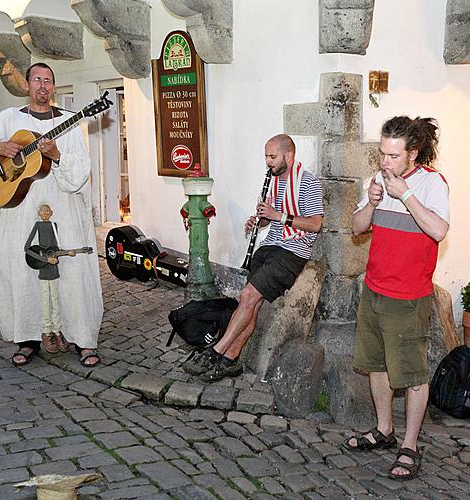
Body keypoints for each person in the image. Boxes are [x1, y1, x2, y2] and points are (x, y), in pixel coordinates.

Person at [0, 63, 103, 368]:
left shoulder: (69, 122)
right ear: (26, 85)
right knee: (22, 273)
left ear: (54, 87)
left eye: (48, 81)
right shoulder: (10, 119)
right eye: (37, 80)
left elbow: (80, 172)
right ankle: (28, 339)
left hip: (63, 211)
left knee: (72, 274)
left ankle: (81, 338)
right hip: (20, 212)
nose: (42, 85)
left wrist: (56, 156)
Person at [344, 116, 449, 481]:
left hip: (408, 297)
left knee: (413, 374)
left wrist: (404, 194)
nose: (384, 162)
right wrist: (372, 203)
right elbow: (357, 228)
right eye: (381, 154)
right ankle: (384, 430)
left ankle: (410, 446)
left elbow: (438, 229)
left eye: (392, 155)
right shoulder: (376, 181)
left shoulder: (433, 184)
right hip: (373, 289)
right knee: (377, 365)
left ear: (412, 154)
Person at [184, 134, 324, 382]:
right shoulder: (275, 181)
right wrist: (260, 220)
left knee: (248, 296)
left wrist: (278, 216)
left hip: (292, 252)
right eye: (266, 157)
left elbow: (315, 224)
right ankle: (231, 360)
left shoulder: (308, 183)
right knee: (251, 303)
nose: (268, 162)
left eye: (272, 157)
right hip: (269, 247)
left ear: (288, 155)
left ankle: (215, 352)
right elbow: (273, 216)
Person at [25, 203, 75, 355]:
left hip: (54, 270)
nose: (45, 212)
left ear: (51, 212)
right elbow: (27, 248)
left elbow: (56, 248)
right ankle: (47, 331)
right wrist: (45, 260)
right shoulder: (38, 226)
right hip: (44, 268)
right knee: (45, 299)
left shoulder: (54, 226)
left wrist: (68, 253)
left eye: (48, 210)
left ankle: (57, 330)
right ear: (39, 212)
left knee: (55, 299)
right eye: (43, 210)